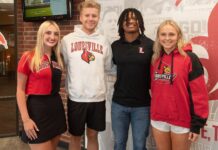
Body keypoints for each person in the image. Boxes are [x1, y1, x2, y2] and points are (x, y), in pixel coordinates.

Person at [61, 1, 112, 150]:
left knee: (92, 136)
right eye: (87, 15)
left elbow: (108, 67)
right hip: (76, 98)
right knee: (75, 137)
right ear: (81, 17)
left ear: (98, 17)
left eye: (94, 15)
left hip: (97, 98)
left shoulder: (103, 41)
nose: (91, 18)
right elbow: (61, 65)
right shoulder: (67, 40)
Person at [150, 19, 209, 150]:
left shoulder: (190, 58)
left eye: (171, 34)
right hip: (158, 118)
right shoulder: (155, 59)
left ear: (179, 36)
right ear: (158, 37)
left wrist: (197, 124)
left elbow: (199, 94)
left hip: (181, 120)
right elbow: (154, 89)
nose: (167, 38)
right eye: (163, 34)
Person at [16, 20, 67, 150]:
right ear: (41, 35)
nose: (52, 37)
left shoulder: (58, 57)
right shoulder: (28, 57)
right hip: (37, 109)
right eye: (48, 33)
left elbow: (53, 81)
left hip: (56, 108)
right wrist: (26, 119)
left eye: (56, 34)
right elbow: (20, 90)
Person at [111, 8, 153, 150]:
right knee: (119, 143)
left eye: (134, 18)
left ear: (140, 22)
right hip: (119, 104)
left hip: (142, 106)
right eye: (127, 19)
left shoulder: (150, 45)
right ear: (121, 23)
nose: (131, 21)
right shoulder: (115, 46)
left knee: (140, 145)